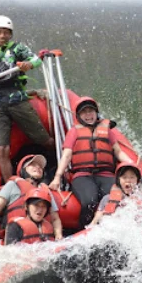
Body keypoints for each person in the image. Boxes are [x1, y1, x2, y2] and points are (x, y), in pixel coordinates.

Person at [0, 15, 54, 183]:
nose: (2, 36)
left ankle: (59, 167)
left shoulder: (16, 49)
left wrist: (28, 64)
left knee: (43, 139)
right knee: (2, 148)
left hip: (16, 99)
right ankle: (11, 185)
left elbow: (35, 60)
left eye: (6, 33)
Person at [49, 96, 130, 228]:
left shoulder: (107, 130)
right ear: (79, 115)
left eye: (90, 111)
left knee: (115, 198)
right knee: (89, 201)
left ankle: (115, 228)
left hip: (105, 174)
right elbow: (66, 155)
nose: (88, 115)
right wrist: (57, 178)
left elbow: (118, 152)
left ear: (96, 113)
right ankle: (85, 229)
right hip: (83, 175)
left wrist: (132, 165)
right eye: (84, 112)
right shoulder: (74, 131)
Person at [0, 154, 63, 241]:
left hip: (41, 241)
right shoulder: (13, 185)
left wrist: (58, 235)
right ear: (23, 169)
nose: (38, 167)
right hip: (16, 237)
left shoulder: (45, 191)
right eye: (33, 164)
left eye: (40, 166)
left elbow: (55, 218)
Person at [88, 161, 142, 226]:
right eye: (124, 177)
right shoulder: (107, 198)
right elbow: (99, 214)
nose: (128, 180)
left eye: (132, 177)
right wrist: (92, 224)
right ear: (119, 180)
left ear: (137, 180)